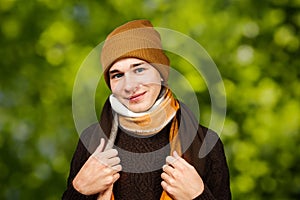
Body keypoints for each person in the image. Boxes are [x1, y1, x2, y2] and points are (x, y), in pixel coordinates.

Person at [62, 19, 231, 200]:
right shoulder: (92, 141)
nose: (129, 86)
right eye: (117, 75)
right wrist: (78, 190)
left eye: (139, 69)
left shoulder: (205, 142)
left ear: (160, 73)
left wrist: (198, 196)